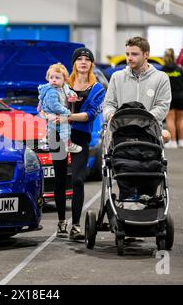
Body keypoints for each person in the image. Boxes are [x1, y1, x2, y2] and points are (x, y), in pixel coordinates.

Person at [103, 37, 171, 203]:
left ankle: (148, 204)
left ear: (146, 55)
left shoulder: (161, 78)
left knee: (150, 176)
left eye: (134, 54)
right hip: (121, 138)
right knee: (124, 174)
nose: (129, 58)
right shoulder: (117, 77)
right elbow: (108, 105)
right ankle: (127, 204)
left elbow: (162, 107)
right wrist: (112, 116)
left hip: (150, 139)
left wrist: (140, 121)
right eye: (127, 54)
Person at [49, 47, 105, 240]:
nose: (83, 62)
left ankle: (76, 225)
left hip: (80, 137)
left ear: (91, 64)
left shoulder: (97, 89)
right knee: (59, 179)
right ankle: (61, 222)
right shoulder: (62, 83)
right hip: (57, 136)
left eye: (87, 59)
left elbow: (89, 115)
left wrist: (66, 117)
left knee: (78, 180)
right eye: (79, 59)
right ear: (73, 63)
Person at [38, 63, 82, 154]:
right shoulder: (51, 91)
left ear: (64, 80)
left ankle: (48, 141)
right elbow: (55, 106)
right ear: (48, 78)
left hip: (56, 114)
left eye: (57, 78)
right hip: (52, 113)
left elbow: (68, 91)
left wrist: (72, 94)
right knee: (64, 128)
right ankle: (66, 145)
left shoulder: (63, 87)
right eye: (51, 78)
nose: (54, 80)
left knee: (53, 129)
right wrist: (67, 112)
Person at [162, 48, 183, 148]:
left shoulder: (163, 70)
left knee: (170, 119)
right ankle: (181, 141)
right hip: (181, 96)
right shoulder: (180, 69)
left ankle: (172, 142)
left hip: (169, 96)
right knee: (180, 118)